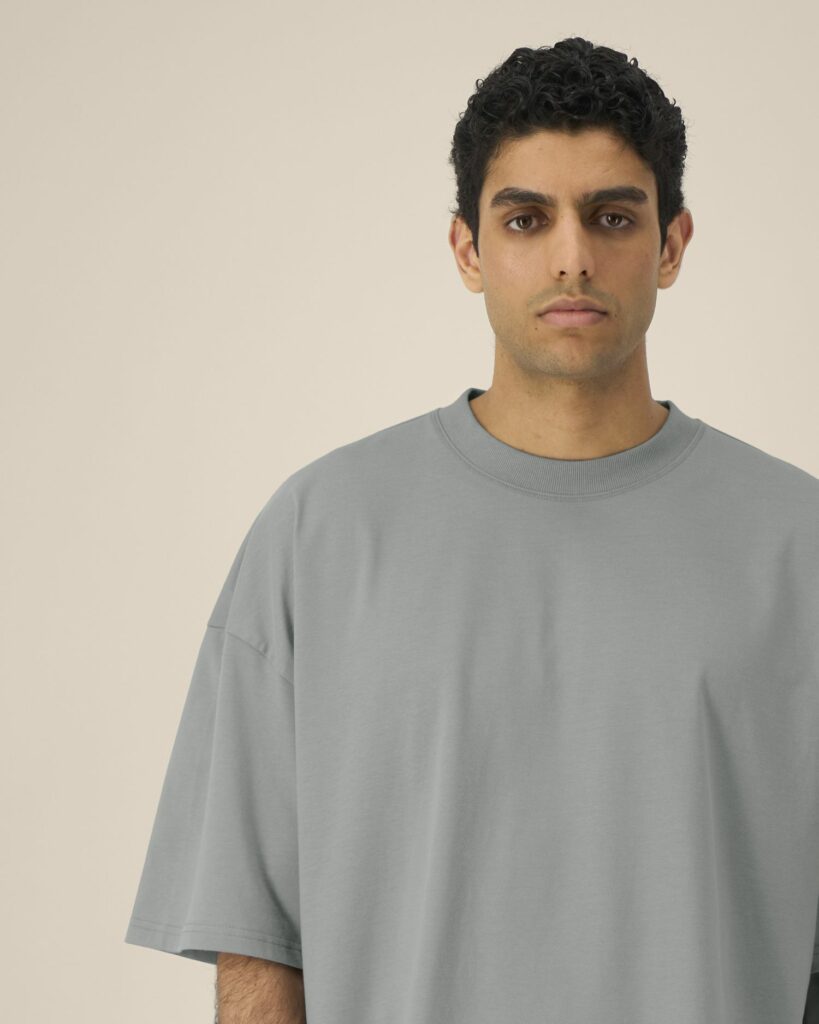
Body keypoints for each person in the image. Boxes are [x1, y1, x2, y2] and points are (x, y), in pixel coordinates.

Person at [124, 37, 819, 1024]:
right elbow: (259, 951)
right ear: (467, 250)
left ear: (671, 245)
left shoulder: (797, 546)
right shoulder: (320, 536)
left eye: (612, 216)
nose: (572, 256)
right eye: (526, 219)